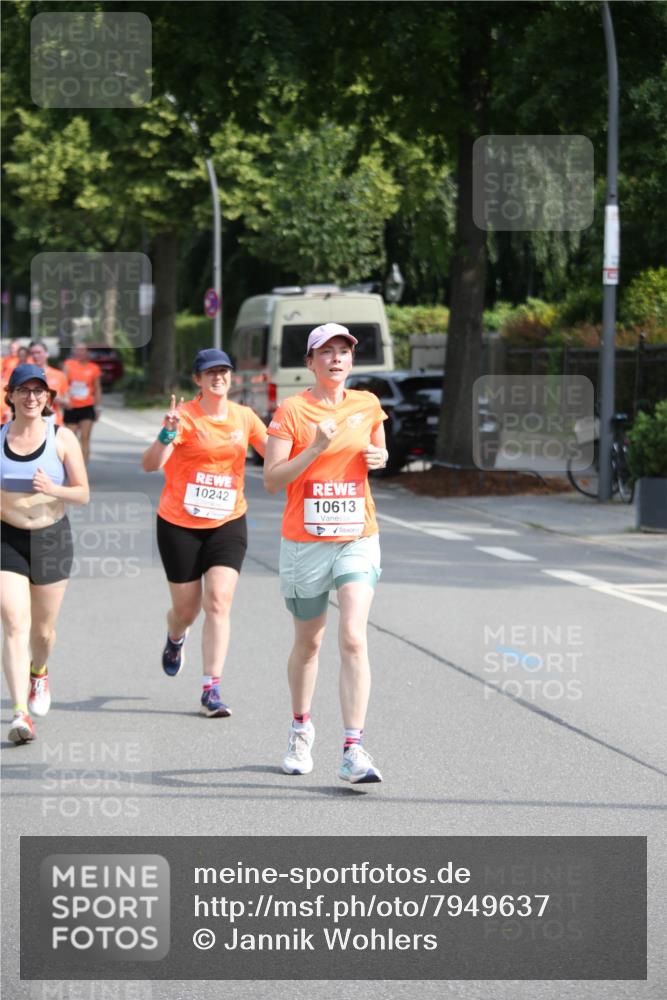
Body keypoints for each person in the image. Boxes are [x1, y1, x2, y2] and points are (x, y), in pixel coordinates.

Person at [263, 323, 389, 785]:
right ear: (310, 362)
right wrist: (315, 446)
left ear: (351, 361)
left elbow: (378, 452)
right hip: (305, 541)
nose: (337, 359)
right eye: (326, 352)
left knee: (354, 635)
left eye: (344, 352)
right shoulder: (292, 411)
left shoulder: (368, 404)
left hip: (357, 534)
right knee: (309, 642)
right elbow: (273, 480)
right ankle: (300, 728)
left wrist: (381, 459)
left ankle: (353, 748)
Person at [142, 348, 268, 717]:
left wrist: (319, 452)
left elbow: (275, 453)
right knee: (187, 610)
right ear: (197, 380)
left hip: (228, 521)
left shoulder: (245, 417)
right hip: (179, 523)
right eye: (210, 372)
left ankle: (211, 689)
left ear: (231, 377)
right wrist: (166, 434)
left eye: (224, 371)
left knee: (218, 601)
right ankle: (176, 635)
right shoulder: (183, 417)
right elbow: (150, 465)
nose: (218, 377)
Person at [1, 363, 89, 744]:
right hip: (6, 539)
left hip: (51, 538)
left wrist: (54, 488)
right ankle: (20, 713)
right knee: (14, 623)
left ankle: (40, 670)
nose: (32, 397)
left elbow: (83, 493)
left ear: (48, 399)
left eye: (39, 391)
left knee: (43, 631)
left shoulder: (62, 438)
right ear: (12, 396)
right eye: (24, 390)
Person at [63, 343, 101, 464]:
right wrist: (65, 399)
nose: (79, 352)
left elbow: (97, 388)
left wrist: (98, 407)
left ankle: (83, 468)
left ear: (87, 352)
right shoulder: (68, 365)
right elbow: (63, 384)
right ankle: (71, 465)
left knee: (85, 437)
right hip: (71, 406)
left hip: (87, 406)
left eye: (82, 350)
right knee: (71, 438)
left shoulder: (93, 368)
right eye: (77, 350)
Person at [29, 342, 70, 425]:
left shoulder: (59, 375)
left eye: (38, 352)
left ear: (47, 354)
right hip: (31, 422)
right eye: (32, 353)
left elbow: (68, 403)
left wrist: (57, 399)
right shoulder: (27, 375)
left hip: (53, 422)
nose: (35, 356)